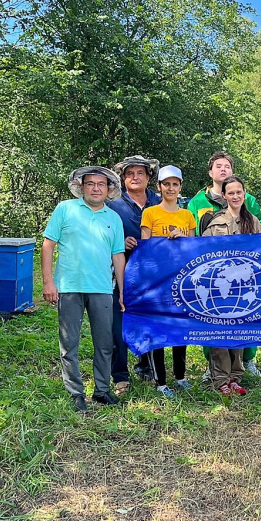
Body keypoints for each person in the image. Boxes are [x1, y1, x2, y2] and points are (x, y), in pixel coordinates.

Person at [42, 166, 126, 412]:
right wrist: (48, 281)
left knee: (104, 343)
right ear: (81, 186)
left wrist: (123, 291)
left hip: (101, 287)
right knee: (70, 343)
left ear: (109, 189)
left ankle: (102, 390)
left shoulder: (114, 218)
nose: (96, 188)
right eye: (91, 183)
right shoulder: (65, 209)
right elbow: (48, 246)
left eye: (101, 184)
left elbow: (118, 256)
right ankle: (76, 393)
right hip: (69, 286)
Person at [187, 150, 261, 377]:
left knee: (243, 320)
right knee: (215, 322)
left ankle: (244, 364)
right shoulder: (199, 203)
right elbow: (196, 240)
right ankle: (216, 370)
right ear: (210, 172)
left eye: (227, 166)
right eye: (218, 166)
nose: (223, 169)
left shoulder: (251, 209)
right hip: (218, 278)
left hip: (244, 278)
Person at [201, 175, 261, 396]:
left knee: (239, 333)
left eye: (239, 192)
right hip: (220, 287)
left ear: (244, 194)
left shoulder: (253, 222)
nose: (235, 196)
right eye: (231, 193)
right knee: (219, 333)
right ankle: (220, 378)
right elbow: (200, 250)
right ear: (224, 196)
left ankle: (236, 376)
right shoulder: (215, 222)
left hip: (244, 287)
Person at [106, 155, 161, 396]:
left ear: (149, 177)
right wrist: (121, 244)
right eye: (130, 173)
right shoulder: (113, 205)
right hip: (123, 273)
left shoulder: (161, 202)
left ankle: (148, 367)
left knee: (151, 322)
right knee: (119, 323)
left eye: (140, 173)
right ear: (123, 178)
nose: (135, 177)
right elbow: (104, 238)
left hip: (156, 276)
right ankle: (120, 375)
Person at [140, 165, 196, 397]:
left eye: (175, 184)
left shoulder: (187, 216)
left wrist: (182, 239)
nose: (171, 188)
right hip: (157, 281)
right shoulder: (150, 213)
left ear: (180, 187)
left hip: (182, 280)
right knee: (159, 330)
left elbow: (194, 250)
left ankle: (180, 376)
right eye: (166, 184)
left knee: (179, 329)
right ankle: (160, 381)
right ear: (159, 187)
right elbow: (145, 247)